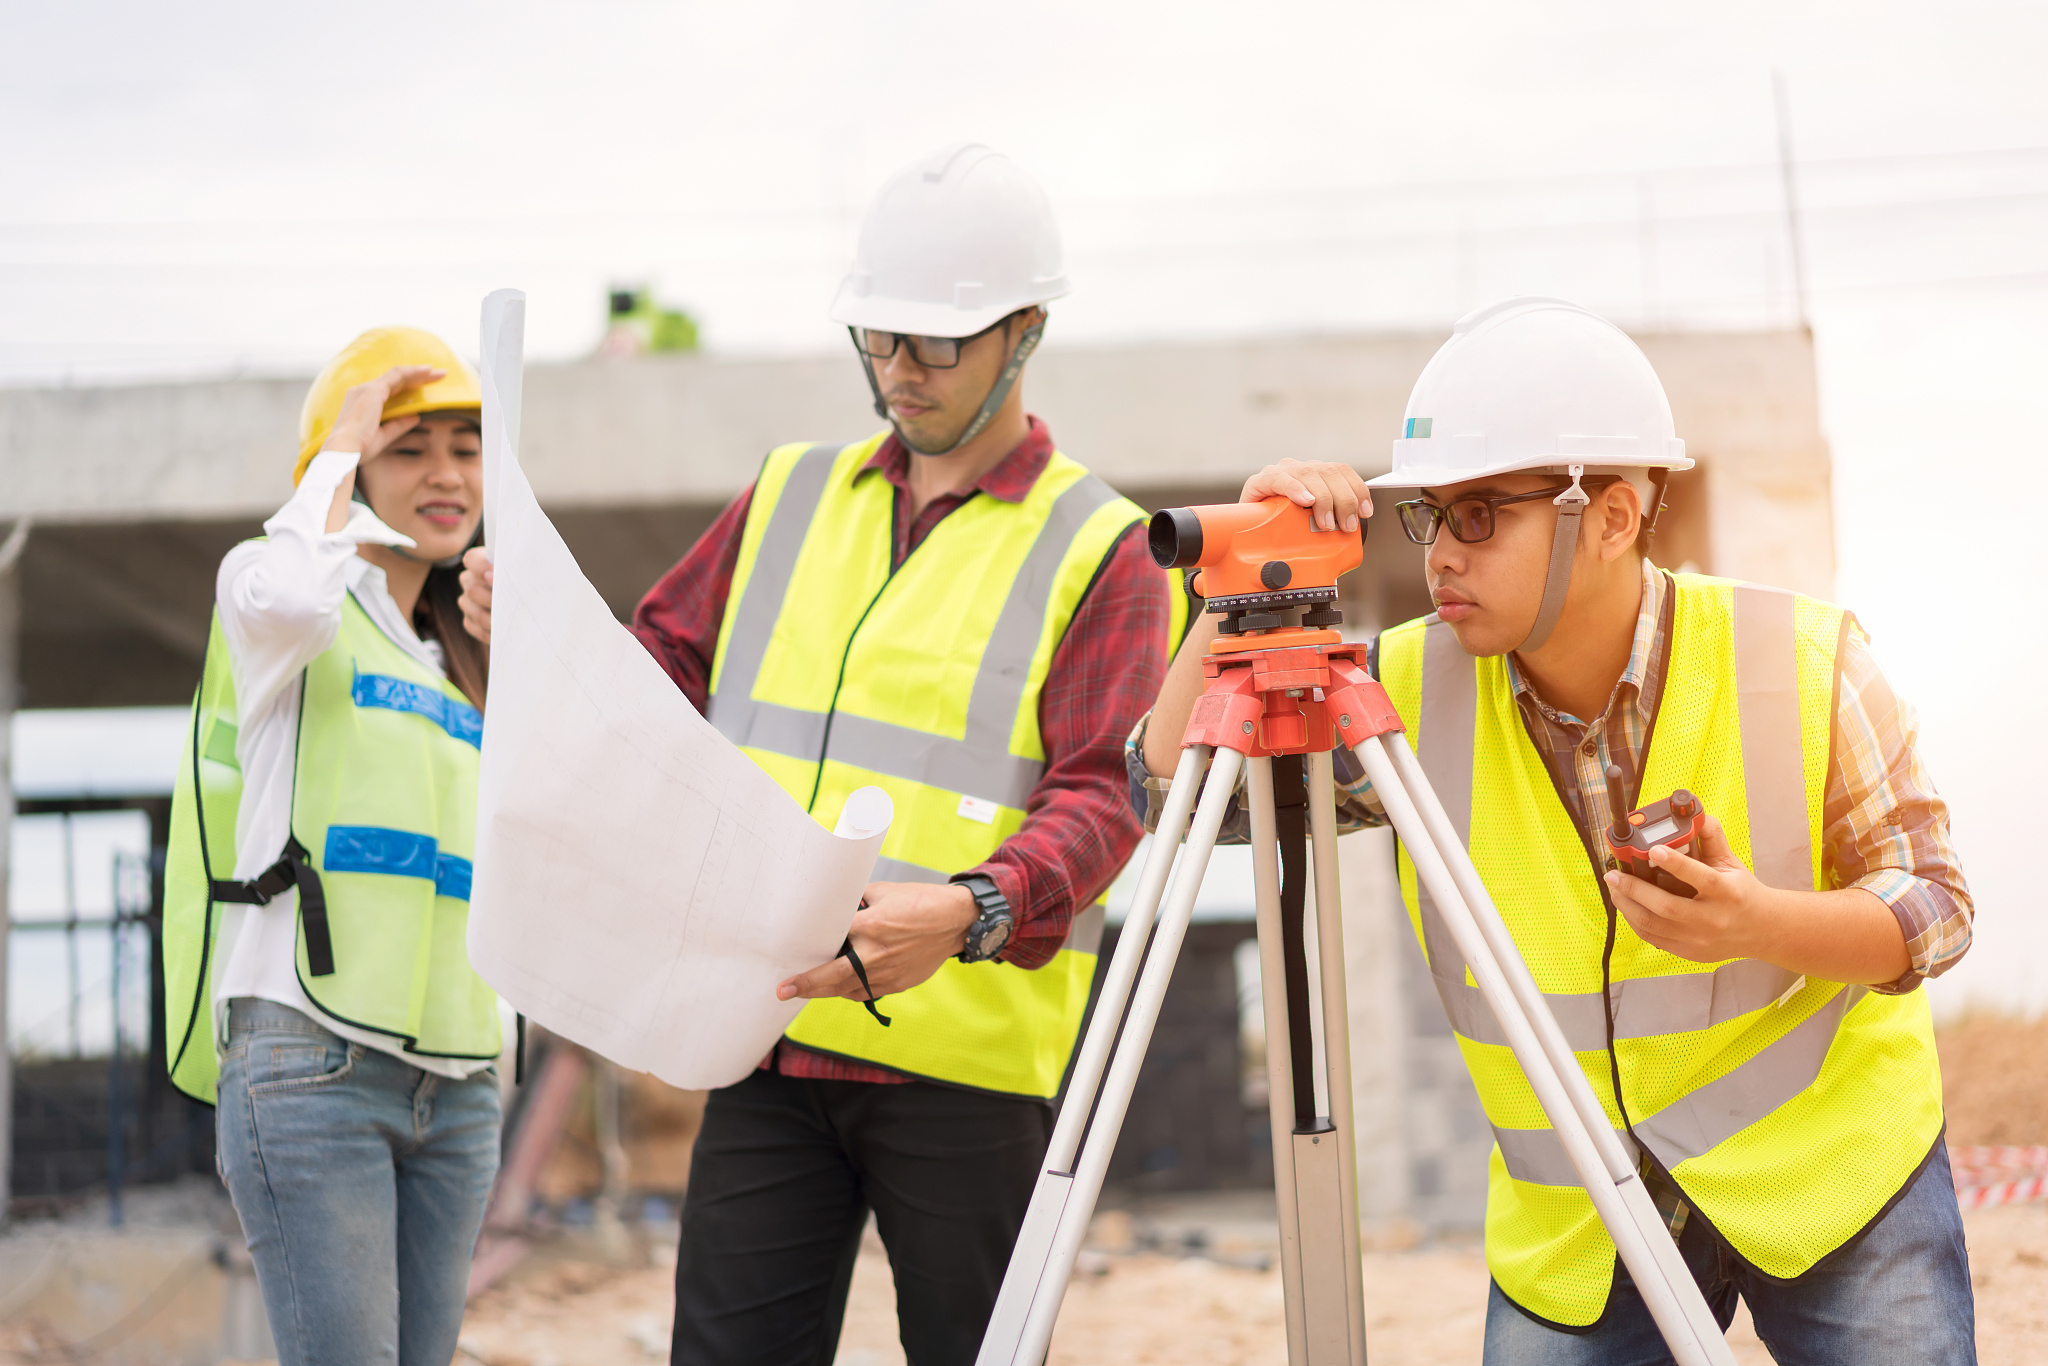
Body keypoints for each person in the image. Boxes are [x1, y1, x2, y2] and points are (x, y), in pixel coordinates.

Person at [1133, 298, 1975, 1364]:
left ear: (1614, 515)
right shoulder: (1394, 689)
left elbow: (1935, 907)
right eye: (1430, 514)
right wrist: (1243, 579)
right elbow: (1171, 799)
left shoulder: (1799, 655)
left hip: (1831, 1178)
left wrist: (1759, 923)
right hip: (1580, 1215)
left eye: (1479, 513)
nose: (1440, 552)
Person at [461, 143, 1182, 1364]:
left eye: (934, 343)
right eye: (877, 337)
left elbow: (1105, 794)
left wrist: (967, 912)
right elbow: (654, 689)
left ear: (1027, 329)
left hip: (965, 1064)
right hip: (767, 1035)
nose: (898, 370)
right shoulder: (788, 496)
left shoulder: (1099, 545)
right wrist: (533, 641)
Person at [162, 327, 505, 1366]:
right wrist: (337, 450)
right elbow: (289, 588)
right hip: (314, 1064)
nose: (447, 475)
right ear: (351, 468)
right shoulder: (282, 608)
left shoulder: (466, 660)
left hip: (456, 1084)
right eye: (409, 449)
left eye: (466, 446)